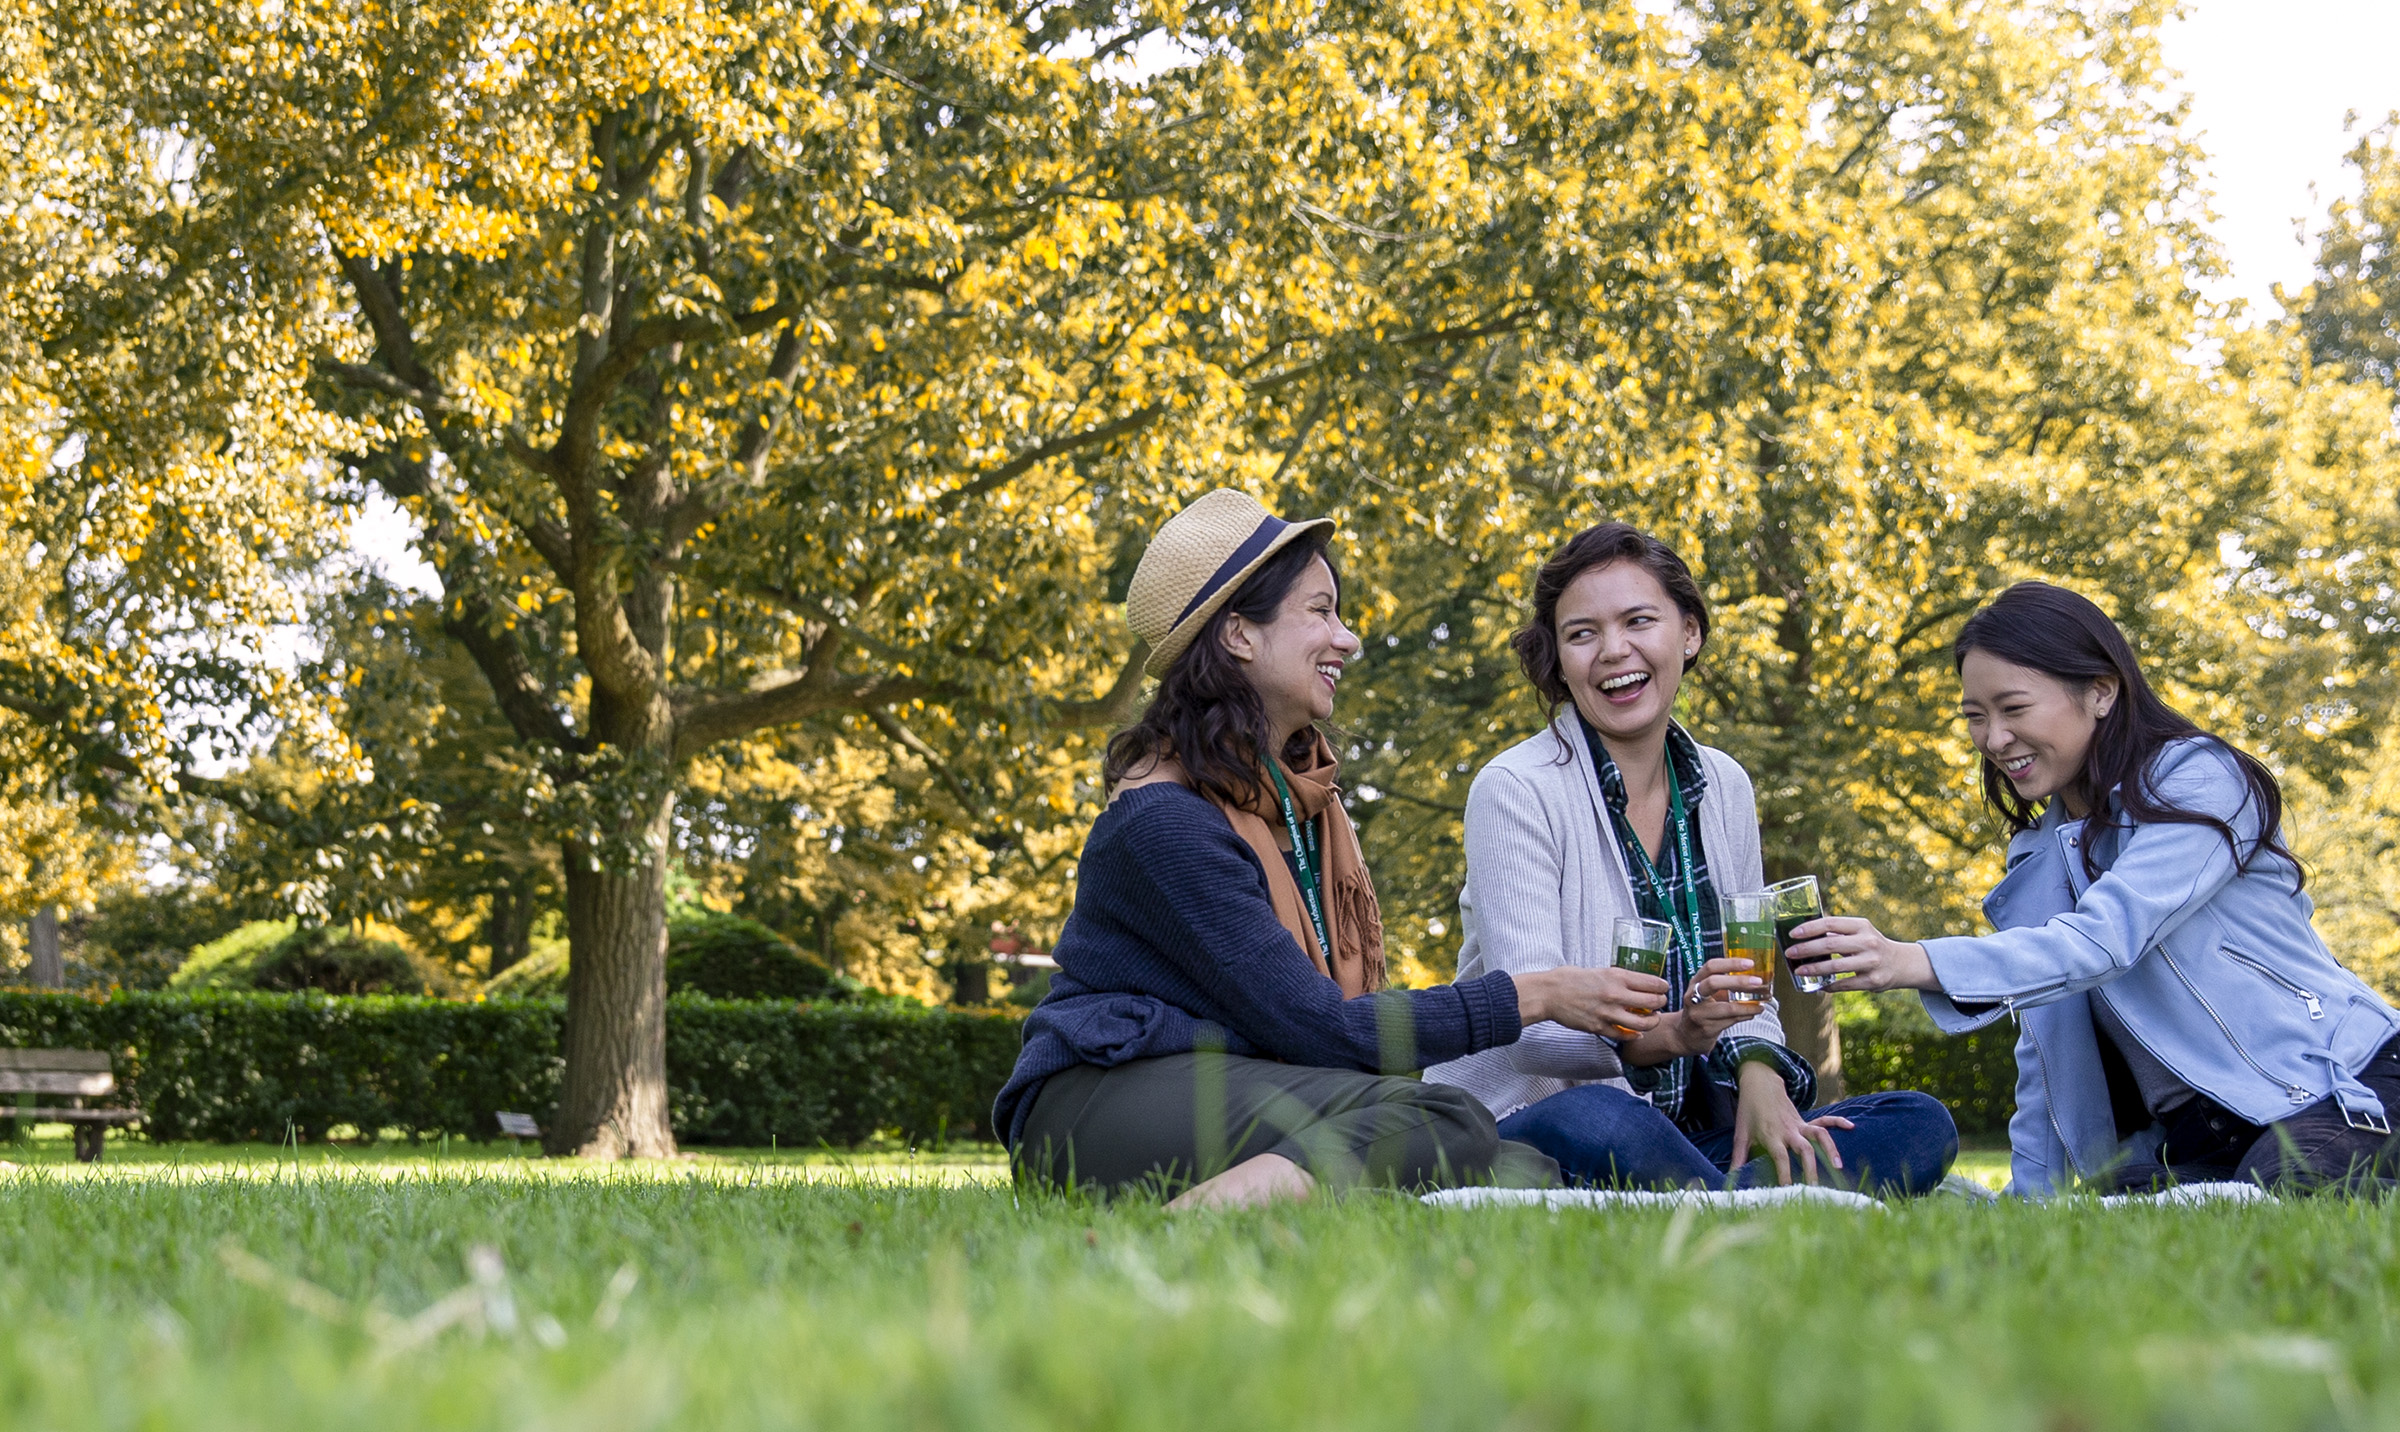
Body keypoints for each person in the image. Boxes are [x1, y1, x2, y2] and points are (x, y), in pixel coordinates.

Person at [994, 490, 1666, 1207]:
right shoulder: (1166, 821)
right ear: (1238, 635)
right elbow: (1320, 1026)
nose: (1346, 639)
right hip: (1097, 1101)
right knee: (1441, 1120)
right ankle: (1190, 1226)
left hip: (1227, 1078)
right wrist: (1538, 994)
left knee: (1518, 1168)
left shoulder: (1294, 800)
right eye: (1319, 612)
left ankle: (1257, 1200)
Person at [1789, 580, 2400, 1195]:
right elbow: (2048, 1056)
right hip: (2201, 1138)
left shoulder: (2201, 780)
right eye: (1976, 717)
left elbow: (2107, 937)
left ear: (2101, 691)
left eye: (2014, 708)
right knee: (2129, 1212)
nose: (1994, 738)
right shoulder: (2034, 864)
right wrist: (2030, 1202)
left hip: (2343, 1087)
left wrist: (1909, 960)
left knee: (2278, 1195)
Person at [1424, 522, 1958, 1194]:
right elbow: (1529, 1021)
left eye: (1638, 621)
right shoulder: (1516, 789)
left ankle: (1721, 1197)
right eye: (1582, 633)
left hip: (1685, 1127)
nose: (1613, 651)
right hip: (1538, 1115)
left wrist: (1760, 1069)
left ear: (1689, 633)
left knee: (1919, 1122)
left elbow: (1750, 978)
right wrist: (1673, 1034)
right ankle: (1766, 1199)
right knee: (1606, 1120)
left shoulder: (1724, 784)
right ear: (1558, 660)